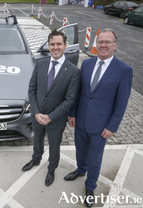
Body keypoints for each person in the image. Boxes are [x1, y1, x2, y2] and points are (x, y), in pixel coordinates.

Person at [64, 28, 133, 207]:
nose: (103, 45)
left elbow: (121, 102)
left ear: (115, 45)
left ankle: (90, 186)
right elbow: (79, 92)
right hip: (81, 119)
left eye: (107, 42)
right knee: (80, 149)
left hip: (101, 124)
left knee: (95, 158)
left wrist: (112, 126)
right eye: (100, 42)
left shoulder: (124, 70)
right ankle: (80, 170)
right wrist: (72, 113)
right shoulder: (86, 64)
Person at [22, 29, 80, 187]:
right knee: (37, 141)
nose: (55, 47)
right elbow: (31, 90)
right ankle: (35, 159)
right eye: (52, 44)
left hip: (56, 119)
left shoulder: (73, 71)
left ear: (65, 46)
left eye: (59, 44)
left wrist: (50, 116)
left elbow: (70, 100)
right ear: (48, 45)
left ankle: (51, 168)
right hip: (37, 115)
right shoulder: (40, 64)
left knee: (54, 146)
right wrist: (35, 112)